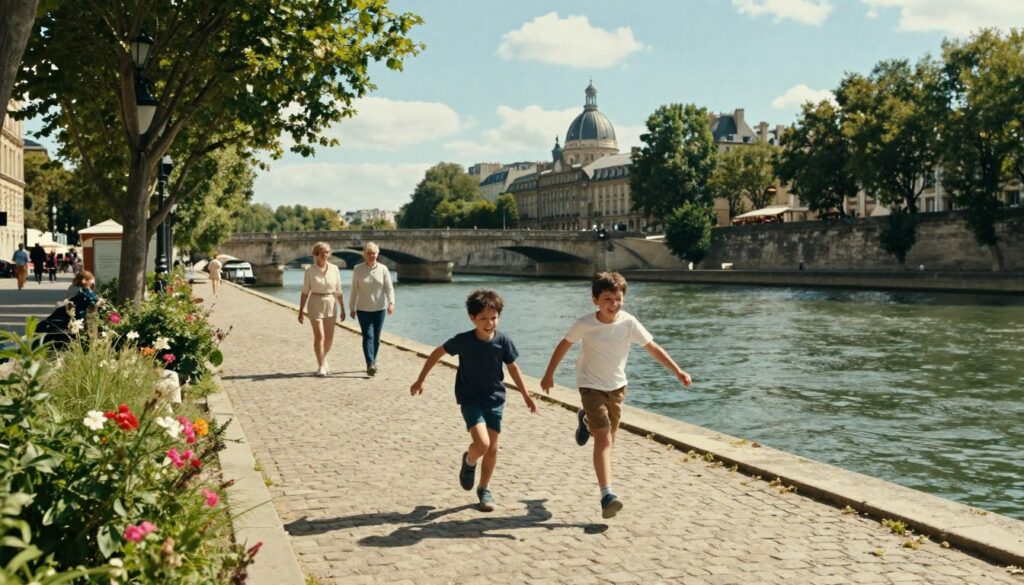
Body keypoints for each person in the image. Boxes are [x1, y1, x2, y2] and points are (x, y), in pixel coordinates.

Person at [540, 272, 692, 519]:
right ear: (595, 301)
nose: (614, 304)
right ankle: (607, 495)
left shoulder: (629, 323)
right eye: (608, 299)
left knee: (609, 439)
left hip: (617, 388)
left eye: (618, 299)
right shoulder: (585, 323)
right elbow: (564, 345)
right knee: (604, 440)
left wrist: (678, 371)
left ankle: (585, 420)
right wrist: (549, 374)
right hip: (590, 386)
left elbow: (653, 348)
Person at [410, 290, 537, 512]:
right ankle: (469, 461)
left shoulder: (503, 341)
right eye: (483, 318)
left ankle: (484, 489)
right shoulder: (463, 341)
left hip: (495, 399)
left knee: (492, 448)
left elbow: (513, 368)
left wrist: (526, 395)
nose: (489, 323)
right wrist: (420, 380)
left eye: (493, 317)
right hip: (470, 399)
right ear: (472, 318)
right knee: (482, 444)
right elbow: (437, 353)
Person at [298, 242, 345, 376]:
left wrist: (342, 308)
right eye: (321, 252)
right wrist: (301, 311)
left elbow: (338, 290)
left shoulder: (335, 269)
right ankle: (321, 366)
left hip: (331, 302)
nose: (324, 255)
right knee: (320, 336)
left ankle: (323, 358)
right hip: (315, 303)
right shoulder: (309, 271)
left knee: (329, 338)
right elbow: (305, 292)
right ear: (316, 254)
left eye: (327, 252)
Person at [348, 242, 395, 376]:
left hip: (380, 309)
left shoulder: (383, 269)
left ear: (377, 254)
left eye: (374, 253)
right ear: (364, 255)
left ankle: (372, 361)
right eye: (369, 253)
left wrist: (391, 303)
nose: (371, 256)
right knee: (368, 336)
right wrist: (352, 307)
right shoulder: (358, 269)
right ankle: (370, 364)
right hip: (363, 309)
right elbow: (354, 289)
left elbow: (389, 287)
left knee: (376, 339)